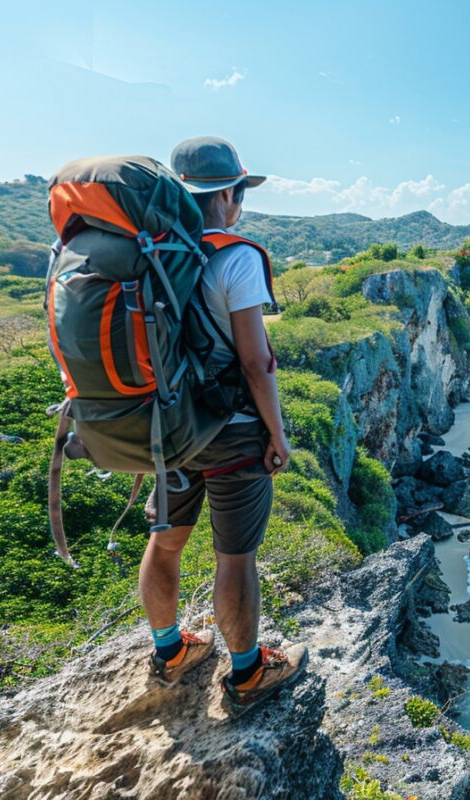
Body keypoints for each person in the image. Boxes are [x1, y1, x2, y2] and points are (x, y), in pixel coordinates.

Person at [139, 136, 307, 715]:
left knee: (165, 543)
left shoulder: (152, 253)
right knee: (233, 557)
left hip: (168, 430)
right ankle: (247, 672)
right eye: (240, 192)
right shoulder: (235, 257)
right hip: (231, 432)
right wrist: (278, 437)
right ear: (231, 196)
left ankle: (170, 651)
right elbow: (256, 362)